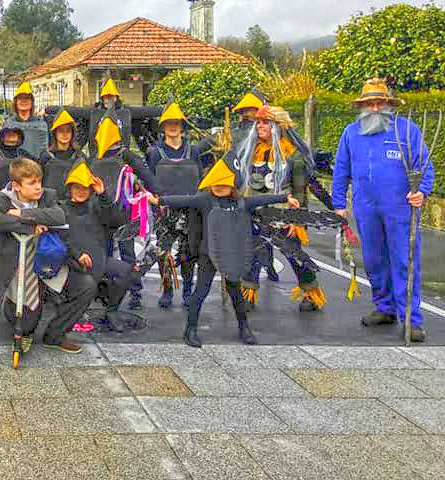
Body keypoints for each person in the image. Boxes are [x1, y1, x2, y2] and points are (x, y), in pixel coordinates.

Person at [156, 155, 299, 347]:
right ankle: (190, 330)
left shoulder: (241, 202)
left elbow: (261, 199)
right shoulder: (204, 199)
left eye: (224, 184)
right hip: (209, 255)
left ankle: (244, 328)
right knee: (200, 292)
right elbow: (182, 200)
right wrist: (159, 200)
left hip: (232, 254)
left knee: (236, 294)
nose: (219, 187)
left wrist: (284, 197)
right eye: (216, 183)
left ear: (232, 185)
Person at [333, 77, 435, 342]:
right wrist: (339, 204)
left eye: (380, 103)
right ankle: (385, 307)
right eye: (370, 104)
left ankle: (412, 319)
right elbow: (341, 170)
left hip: (400, 207)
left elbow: (425, 167)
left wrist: (421, 191)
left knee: (404, 261)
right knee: (374, 260)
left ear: (389, 104)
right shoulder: (351, 133)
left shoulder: (406, 130)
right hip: (366, 207)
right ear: (362, 107)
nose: (375, 109)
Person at [235, 105, 330, 312]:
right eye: (258, 122)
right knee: (252, 253)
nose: (259, 126)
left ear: (278, 126)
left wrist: (296, 221)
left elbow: (300, 192)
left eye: (265, 123)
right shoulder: (251, 151)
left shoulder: (293, 155)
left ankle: (311, 293)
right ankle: (248, 294)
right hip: (256, 213)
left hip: (283, 215)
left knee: (293, 254)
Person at [0, 158, 77, 353]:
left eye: (39, 181)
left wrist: (22, 214)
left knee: (85, 286)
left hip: (48, 259)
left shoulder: (47, 195)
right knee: (23, 316)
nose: (38, 187)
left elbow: (58, 216)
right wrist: (29, 227)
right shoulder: (2, 198)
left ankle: (55, 334)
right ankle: (17, 317)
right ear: (16, 185)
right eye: (32, 183)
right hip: (16, 263)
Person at [89, 107, 159, 311]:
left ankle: (135, 290)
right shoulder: (94, 158)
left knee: (128, 254)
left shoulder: (125, 154)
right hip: (101, 213)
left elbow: (145, 174)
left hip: (124, 213)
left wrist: (158, 193)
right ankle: (107, 292)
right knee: (105, 255)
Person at [58, 160, 140, 333]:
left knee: (126, 271)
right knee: (81, 280)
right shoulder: (60, 208)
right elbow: (60, 238)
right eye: (77, 187)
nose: (81, 192)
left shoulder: (97, 206)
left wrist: (103, 194)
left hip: (98, 260)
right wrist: (77, 254)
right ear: (70, 188)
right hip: (71, 261)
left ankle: (111, 311)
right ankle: (74, 312)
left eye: (85, 188)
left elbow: (117, 221)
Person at [145, 100, 204, 308]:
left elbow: (202, 180)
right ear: (163, 126)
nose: (173, 127)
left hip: (190, 209)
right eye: (169, 123)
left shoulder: (193, 151)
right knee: (164, 252)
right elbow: (149, 181)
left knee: (189, 252)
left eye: (177, 123)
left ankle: (188, 290)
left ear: (182, 126)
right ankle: (167, 290)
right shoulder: (154, 152)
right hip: (165, 210)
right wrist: (155, 205)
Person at [43, 78, 163, 155]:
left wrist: (168, 110)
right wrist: (50, 109)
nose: (108, 99)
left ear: (116, 98)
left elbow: (147, 111)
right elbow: (73, 111)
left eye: (111, 97)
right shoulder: (93, 112)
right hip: (97, 155)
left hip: (120, 154)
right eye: (106, 97)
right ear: (102, 98)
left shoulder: (126, 112)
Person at [2, 81, 50, 158]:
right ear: (16, 102)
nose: (23, 101)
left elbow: (43, 149)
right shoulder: (9, 123)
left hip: (36, 166)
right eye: (20, 98)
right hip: (15, 165)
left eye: (27, 98)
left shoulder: (41, 124)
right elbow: (5, 149)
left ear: (32, 102)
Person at [40, 109, 85, 193]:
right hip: (49, 202)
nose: (65, 134)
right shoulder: (45, 156)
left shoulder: (80, 156)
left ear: (72, 134)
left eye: (68, 131)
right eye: (61, 131)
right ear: (55, 133)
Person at [0, 125, 36, 191]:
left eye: (14, 133)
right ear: (2, 138)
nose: (11, 135)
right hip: (1, 194)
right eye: (8, 133)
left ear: (19, 138)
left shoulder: (23, 154)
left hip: (21, 193)